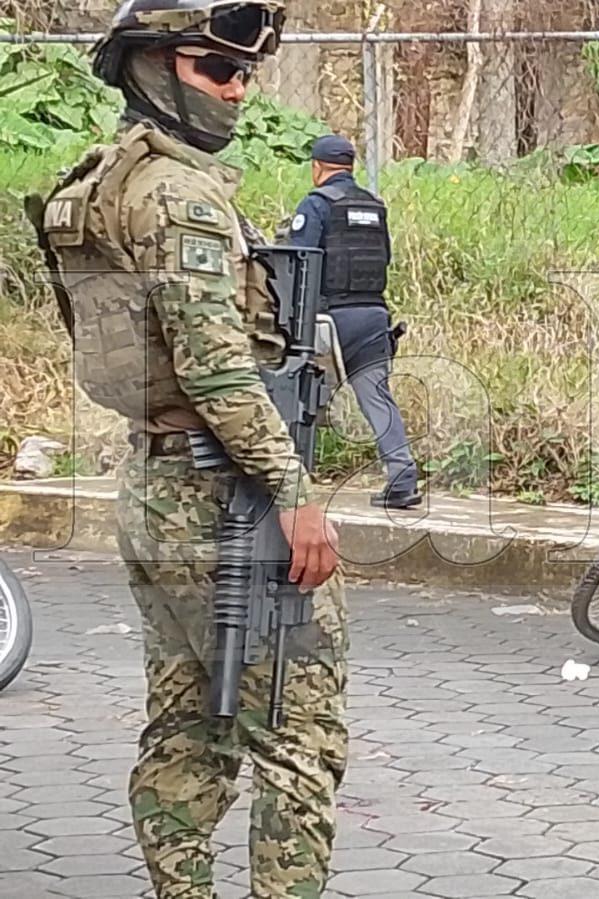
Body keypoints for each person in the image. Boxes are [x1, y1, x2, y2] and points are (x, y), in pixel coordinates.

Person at [31, 2, 349, 896]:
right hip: (225, 496)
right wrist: (294, 493)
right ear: (153, 67)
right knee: (296, 725)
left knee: (189, 721)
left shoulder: (100, 180)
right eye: (217, 68)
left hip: (158, 479)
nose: (238, 89)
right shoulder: (179, 194)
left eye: (246, 73)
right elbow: (215, 370)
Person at [288, 135, 422, 509]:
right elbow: (386, 259)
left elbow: (301, 262)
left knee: (295, 391)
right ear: (350, 167)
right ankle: (402, 479)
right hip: (374, 317)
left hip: (329, 322)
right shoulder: (374, 207)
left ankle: (289, 479)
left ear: (317, 167)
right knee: (376, 397)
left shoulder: (315, 205)